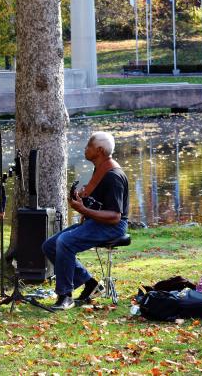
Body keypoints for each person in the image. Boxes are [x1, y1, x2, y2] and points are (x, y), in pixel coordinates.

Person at [42, 131, 129, 310]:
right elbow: (99, 204)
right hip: (96, 223)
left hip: (113, 227)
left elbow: (115, 216)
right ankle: (90, 284)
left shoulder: (113, 176)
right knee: (49, 245)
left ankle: (65, 296)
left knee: (65, 242)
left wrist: (83, 209)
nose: (85, 148)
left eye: (88, 145)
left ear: (99, 150)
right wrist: (82, 200)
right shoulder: (100, 168)